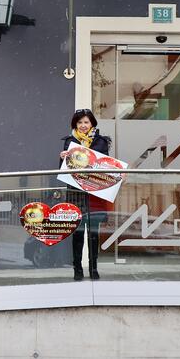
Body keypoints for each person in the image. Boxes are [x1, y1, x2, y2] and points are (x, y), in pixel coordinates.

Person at [60, 108, 111, 281]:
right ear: (75, 124)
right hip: (76, 191)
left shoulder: (101, 142)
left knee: (94, 232)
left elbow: (106, 167)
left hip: (94, 192)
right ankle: (77, 269)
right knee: (78, 232)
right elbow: (65, 169)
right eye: (80, 122)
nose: (83, 125)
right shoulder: (70, 142)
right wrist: (62, 158)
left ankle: (94, 268)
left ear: (92, 124)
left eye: (86, 122)